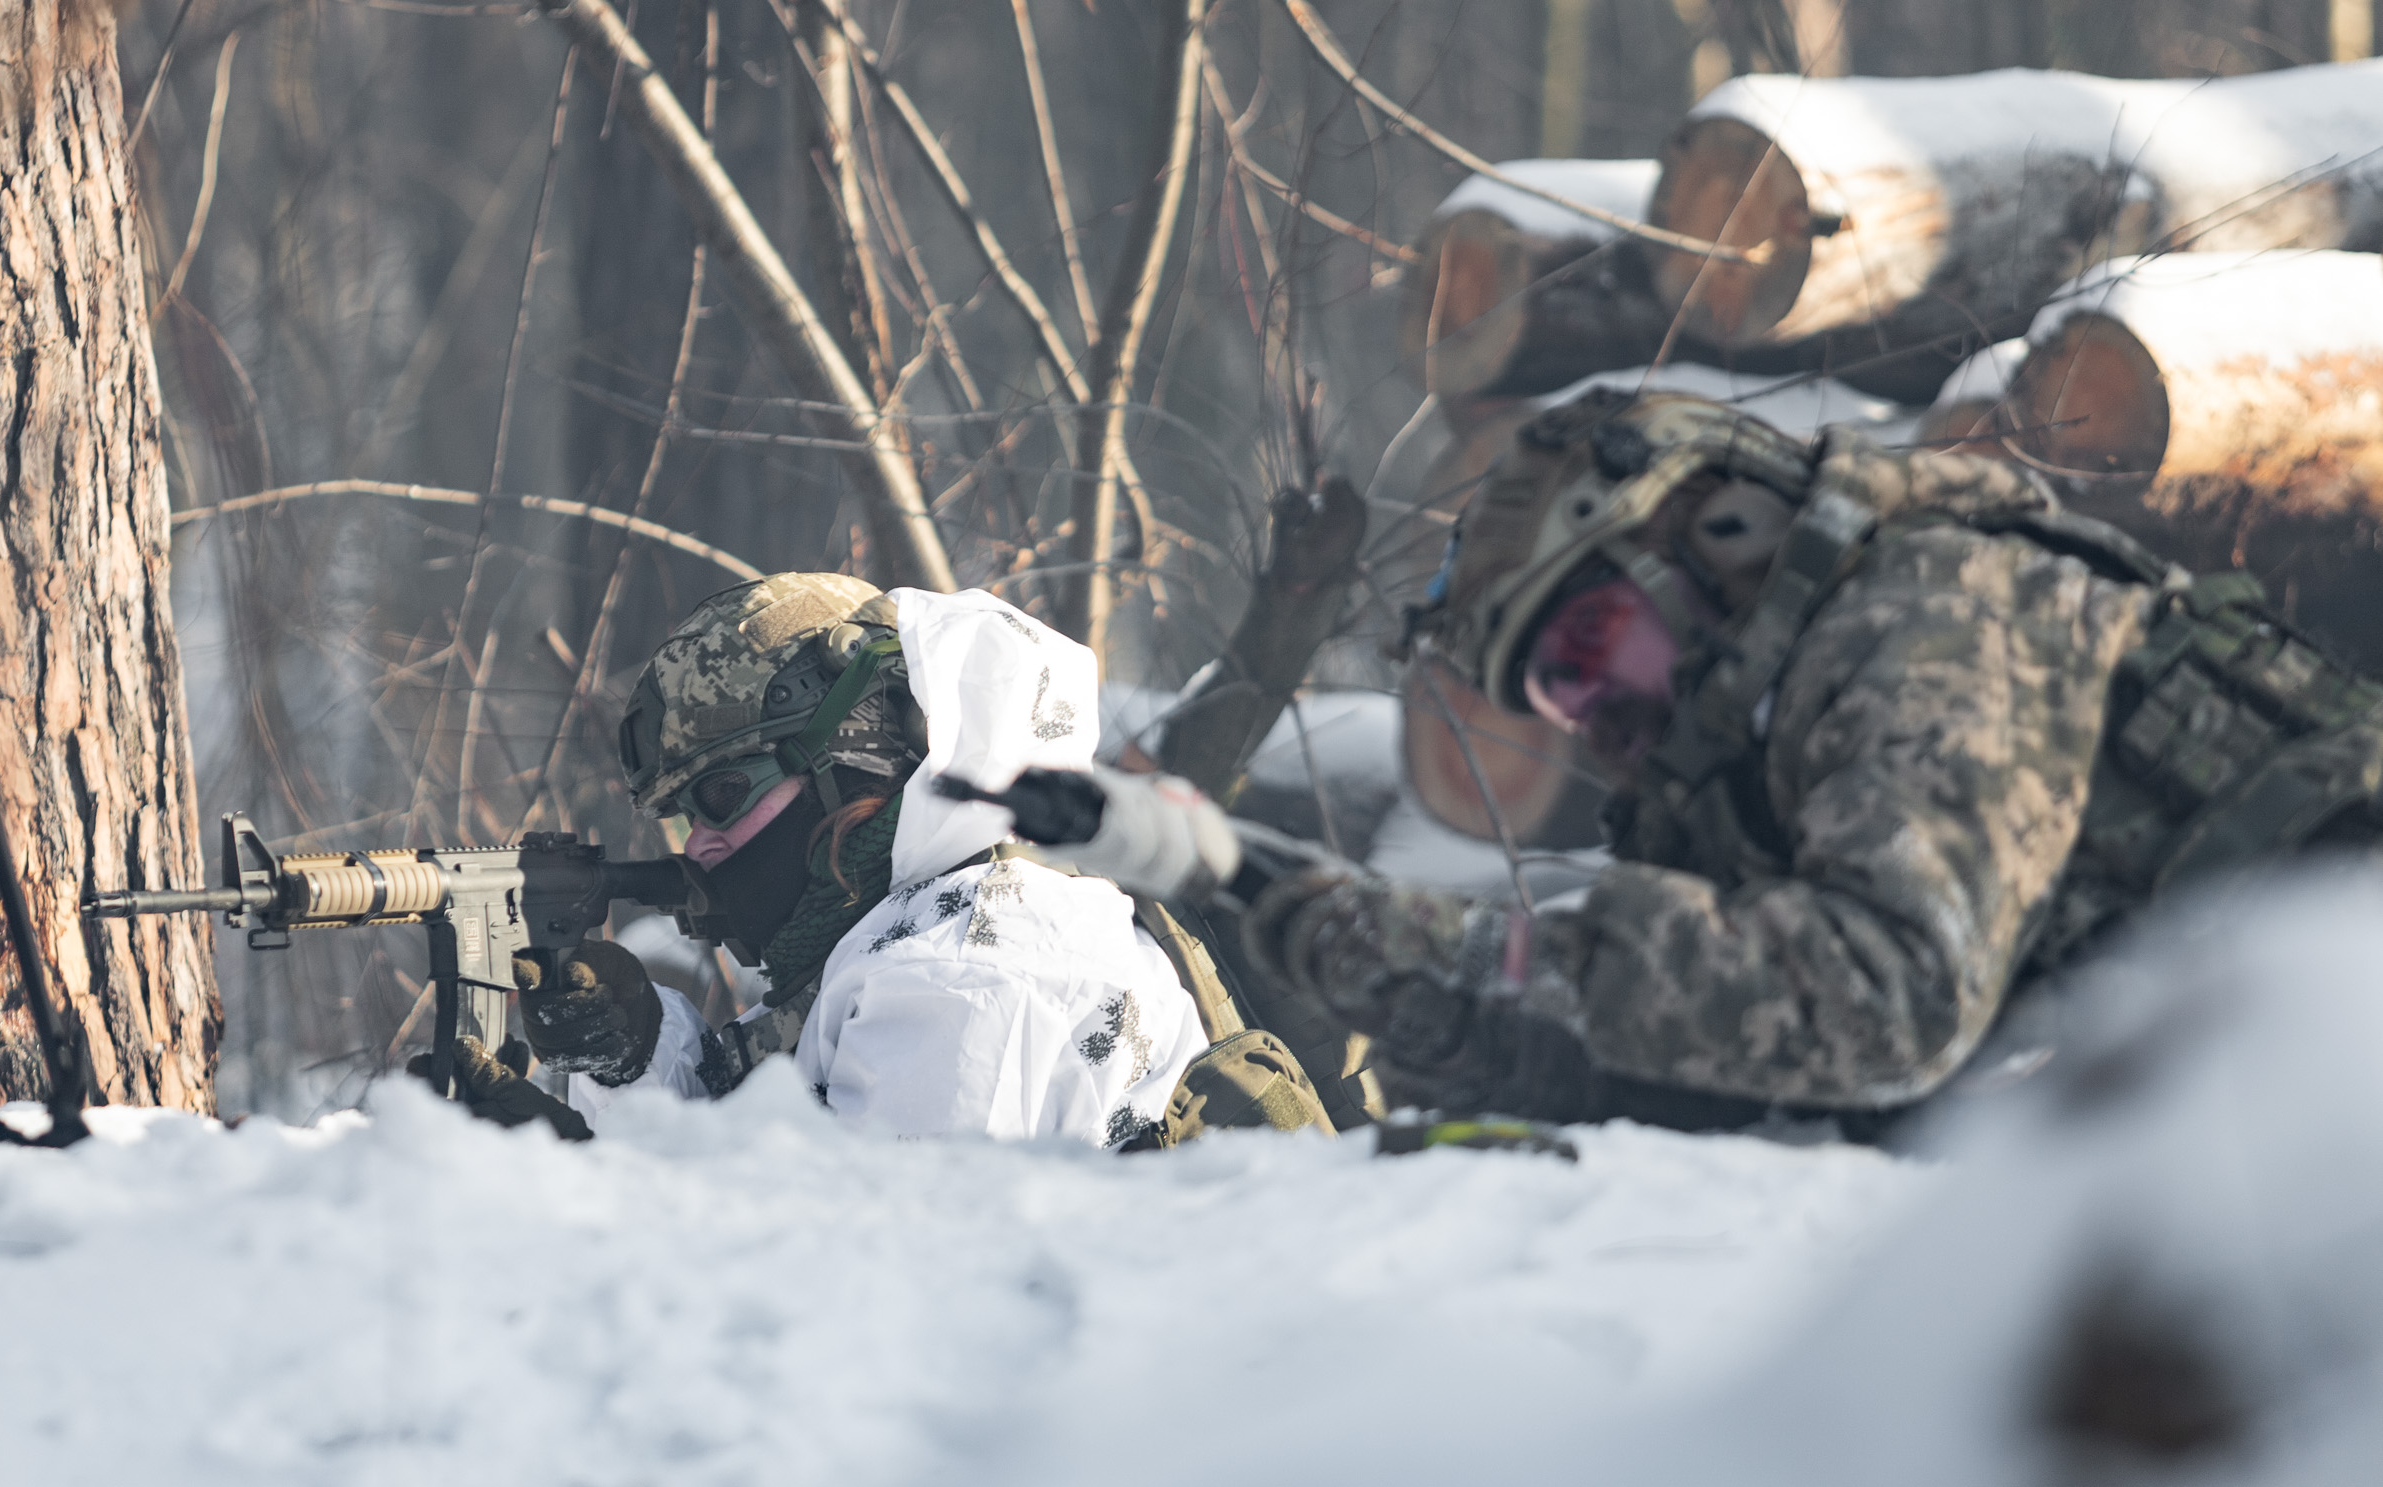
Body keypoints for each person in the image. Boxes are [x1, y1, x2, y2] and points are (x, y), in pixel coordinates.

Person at [1042, 387, 2383, 1135]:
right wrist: (1260, 883)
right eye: (1562, 693)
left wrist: (1476, 953)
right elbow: (1643, 1059)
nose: (1600, 714)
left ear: (1719, 534)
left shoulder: (1930, 612)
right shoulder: (1753, 757)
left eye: (1594, 644)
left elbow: (1885, 995)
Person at [446, 573, 1330, 1147]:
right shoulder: (937, 922)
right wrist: (645, 1052)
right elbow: (790, 1142)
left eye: (721, 800)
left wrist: (575, 1178)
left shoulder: (970, 973)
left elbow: (858, 1292)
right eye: (682, 816)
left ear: (853, 771)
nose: (699, 846)